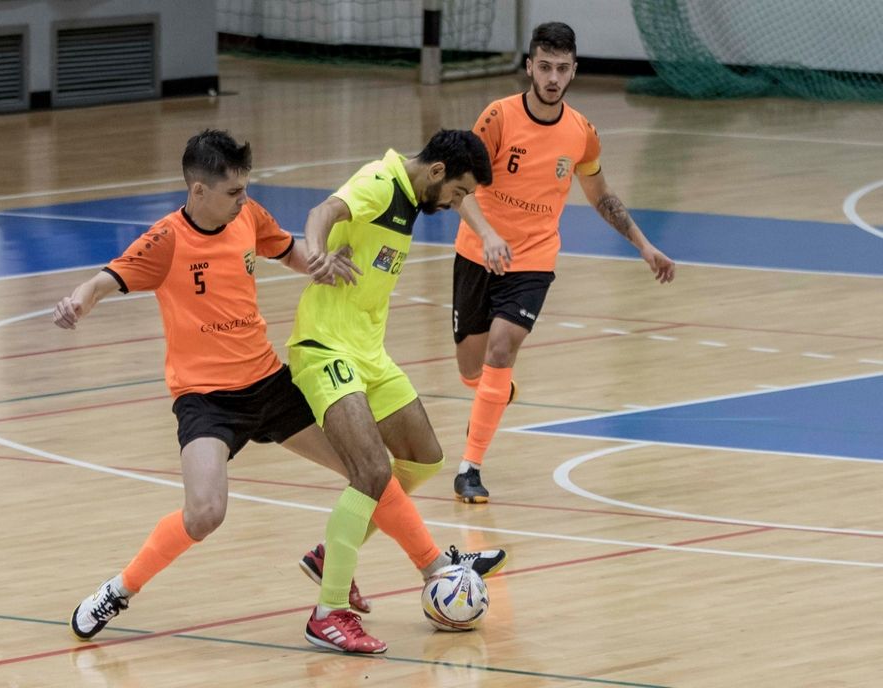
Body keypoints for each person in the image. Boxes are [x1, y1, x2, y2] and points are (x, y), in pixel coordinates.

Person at [55, 129, 504, 653]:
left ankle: (431, 567)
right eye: (233, 192)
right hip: (206, 400)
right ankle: (118, 590)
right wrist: (81, 300)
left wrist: (319, 262)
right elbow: (110, 277)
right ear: (198, 192)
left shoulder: (247, 217)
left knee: (369, 471)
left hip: (269, 382)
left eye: (246, 189)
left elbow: (286, 247)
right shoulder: (167, 240)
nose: (245, 199)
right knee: (205, 513)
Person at [288, 129, 503, 655]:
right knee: (370, 472)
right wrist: (316, 253)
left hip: (369, 353)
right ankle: (329, 611)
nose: (456, 204)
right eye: (457, 194)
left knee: (425, 458)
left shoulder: (411, 197)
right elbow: (323, 211)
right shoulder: (380, 183)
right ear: (436, 173)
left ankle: (329, 553)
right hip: (325, 348)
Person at [450, 22, 676, 503]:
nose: (553, 77)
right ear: (530, 66)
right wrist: (487, 234)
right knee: (472, 369)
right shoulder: (497, 119)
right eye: (545, 66)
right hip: (477, 253)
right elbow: (458, 187)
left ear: (574, 71)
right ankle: (494, 391)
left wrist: (643, 244)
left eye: (562, 68)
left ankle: (469, 467)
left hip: (533, 258)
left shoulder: (581, 134)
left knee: (502, 349)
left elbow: (601, 195)